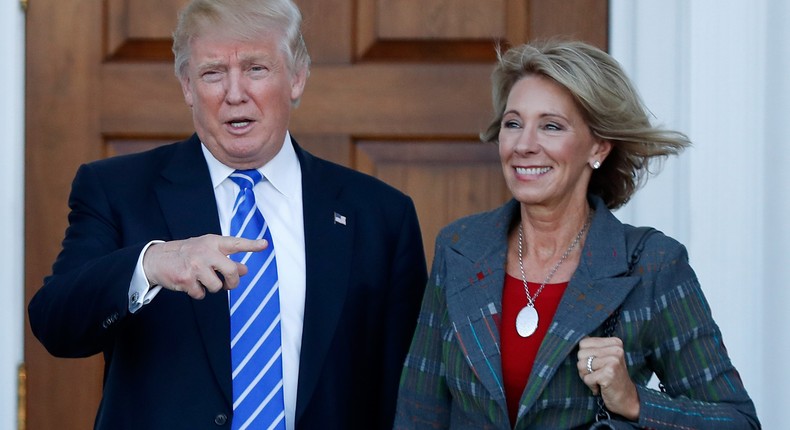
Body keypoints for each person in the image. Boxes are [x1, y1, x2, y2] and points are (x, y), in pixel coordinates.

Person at [27, 0, 427, 428]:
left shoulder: (380, 214)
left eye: (256, 69)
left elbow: (409, 394)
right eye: (213, 73)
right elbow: (55, 324)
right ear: (186, 86)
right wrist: (151, 264)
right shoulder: (118, 190)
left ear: (297, 78)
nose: (235, 93)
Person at [394, 40, 760, 429]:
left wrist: (634, 401)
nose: (524, 145)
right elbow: (420, 412)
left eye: (551, 126)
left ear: (599, 146)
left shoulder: (652, 264)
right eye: (513, 123)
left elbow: (737, 421)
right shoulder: (460, 247)